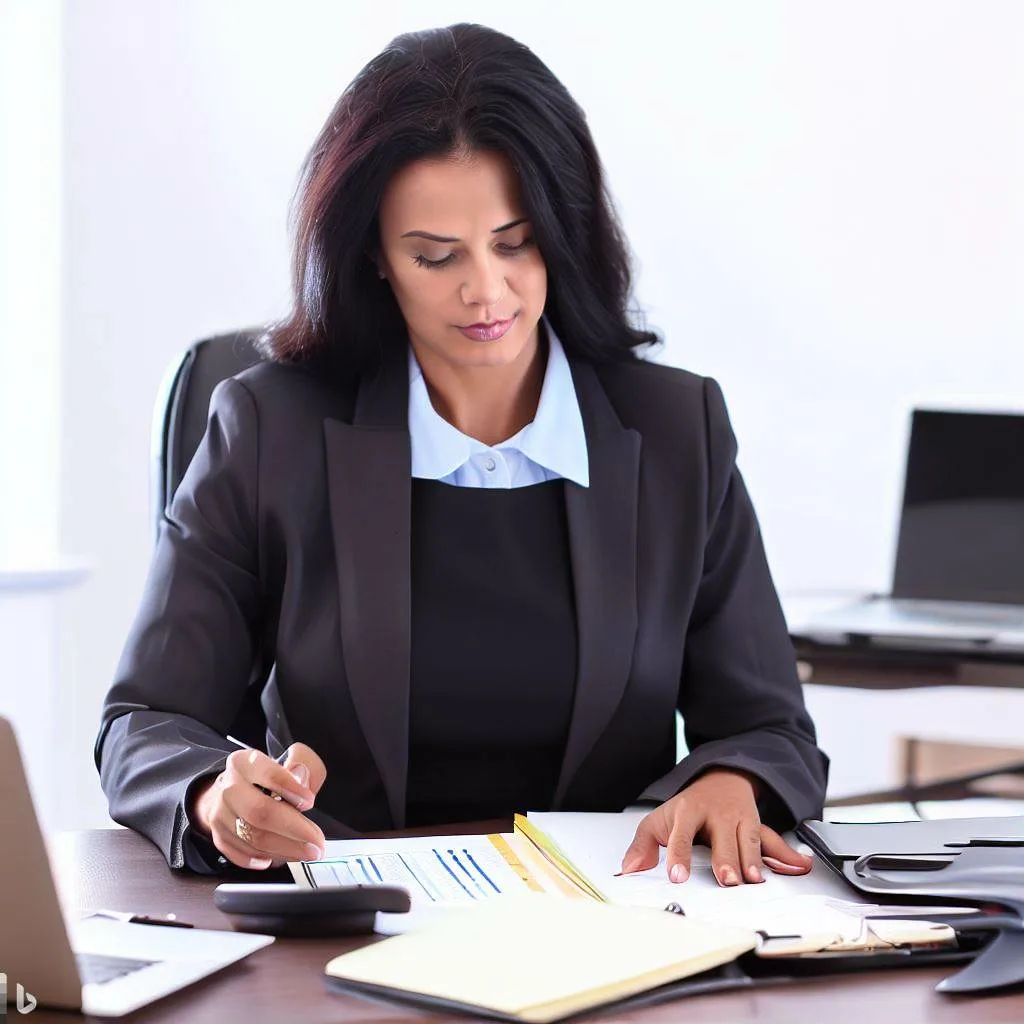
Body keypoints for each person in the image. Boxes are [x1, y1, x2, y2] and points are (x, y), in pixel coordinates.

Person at [94, 22, 828, 886]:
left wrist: (730, 780)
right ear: (373, 253)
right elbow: (144, 720)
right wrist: (210, 795)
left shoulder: (676, 431)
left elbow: (772, 729)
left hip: (607, 930)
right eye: (435, 256)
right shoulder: (269, 428)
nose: (487, 289)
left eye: (515, 242)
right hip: (349, 928)